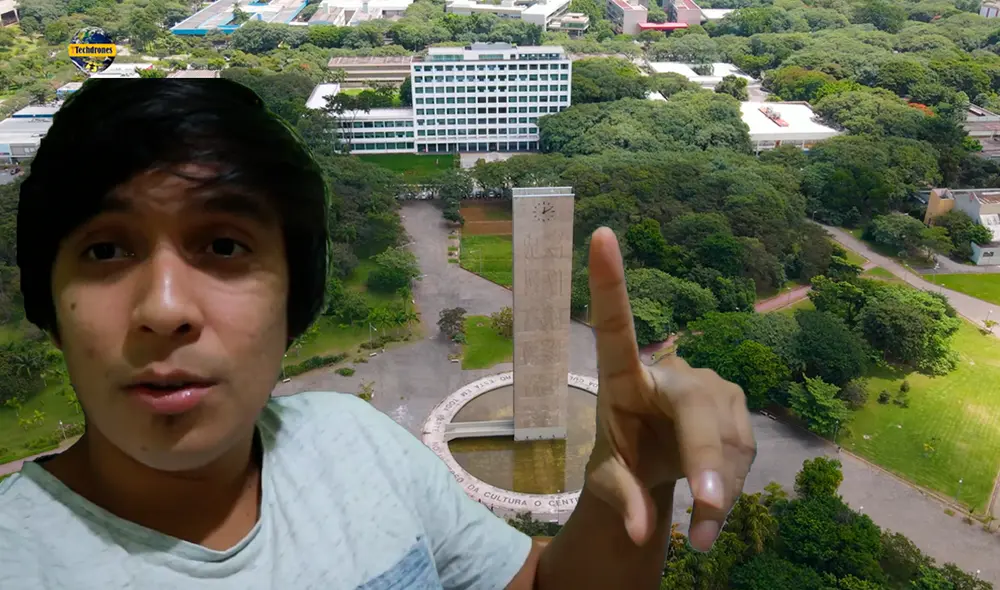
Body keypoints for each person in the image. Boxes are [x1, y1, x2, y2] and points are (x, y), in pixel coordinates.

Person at [0, 80, 756, 589]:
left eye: (223, 246)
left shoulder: (357, 444)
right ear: (48, 297)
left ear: (298, 292)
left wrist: (640, 482)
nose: (164, 308)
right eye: (105, 250)